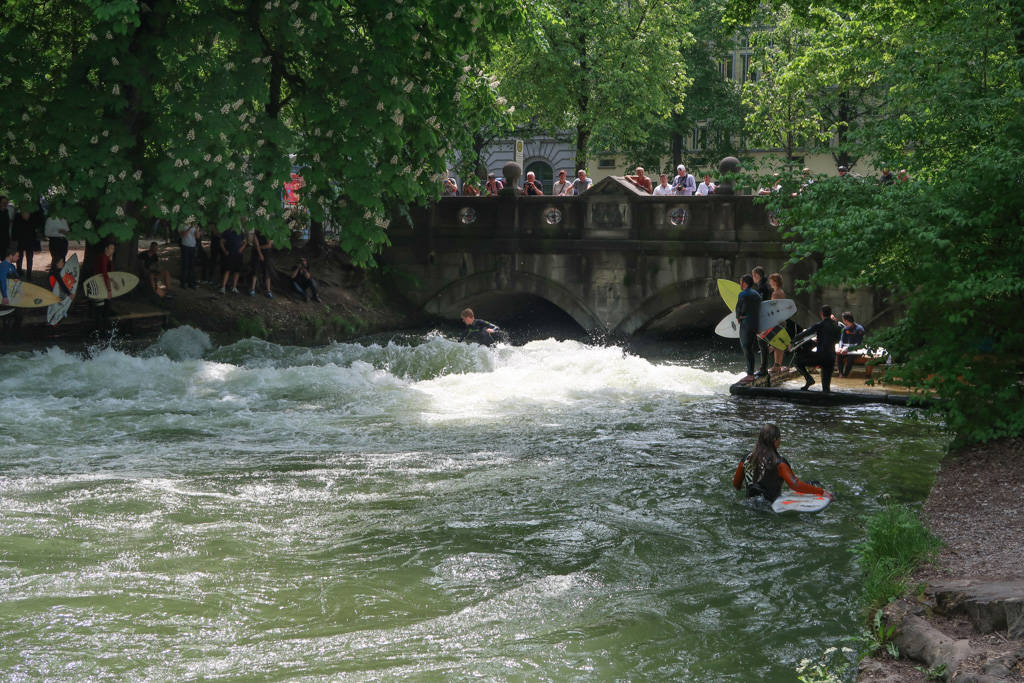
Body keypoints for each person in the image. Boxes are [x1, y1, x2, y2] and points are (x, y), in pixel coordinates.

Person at [732, 424, 833, 503]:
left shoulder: (746, 459)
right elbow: (795, 485)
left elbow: (736, 484)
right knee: (817, 484)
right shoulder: (779, 463)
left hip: (750, 503)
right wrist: (821, 492)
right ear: (775, 440)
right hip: (770, 506)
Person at [791, 304, 843, 392]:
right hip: (831, 357)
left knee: (797, 362)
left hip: (820, 356)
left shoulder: (819, 325)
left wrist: (791, 342)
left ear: (821, 314)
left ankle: (809, 379)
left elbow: (804, 334)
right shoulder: (837, 327)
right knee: (826, 388)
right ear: (831, 313)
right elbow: (838, 340)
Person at [735, 274, 761, 384]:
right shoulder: (757, 295)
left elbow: (739, 308)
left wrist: (738, 316)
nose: (740, 284)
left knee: (746, 348)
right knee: (750, 348)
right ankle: (751, 373)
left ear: (745, 283)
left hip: (746, 323)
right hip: (756, 323)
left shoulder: (743, 294)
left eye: (741, 282)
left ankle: (750, 375)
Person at [752, 266, 772, 376]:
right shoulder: (764, 286)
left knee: (762, 343)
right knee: (763, 344)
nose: (753, 278)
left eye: (754, 275)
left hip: (762, 319)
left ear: (758, 275)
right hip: (765, 318)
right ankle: (764, 367)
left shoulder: (762, 287)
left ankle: (764, 369)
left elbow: (760, 304)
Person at [768, 273, 790, 373]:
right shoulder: (782, 292)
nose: (769, 282)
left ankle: (776, 366)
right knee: (780, 344)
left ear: (775, 282)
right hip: (782, 320)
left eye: (771, 281)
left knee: (776, 343)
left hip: (777, 320)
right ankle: (779, 365)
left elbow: (773, 309)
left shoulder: (775, 294)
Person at [219, 222, 248, 293]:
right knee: (227, 270)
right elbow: (221, 242)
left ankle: (234, 287)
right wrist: (224, 250)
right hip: (229, 254)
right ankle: (223, 287)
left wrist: (241, 249)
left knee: (237, 271)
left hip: (238, 255)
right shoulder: (227, 232)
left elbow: (245, 242)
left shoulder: (240, 232)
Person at [93, 242, 119, 318]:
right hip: (99, 282)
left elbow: (111, 272)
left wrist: (111, 261)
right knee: (101, 305)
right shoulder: (102, 258)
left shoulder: (107, 258)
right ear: (106, 249)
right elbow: (104, 273)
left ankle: (106, 316)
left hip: (104, 282)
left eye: (113, 249)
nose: (113, 250)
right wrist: (109, 289)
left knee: (107, 303)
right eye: (111, 248)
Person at [836, 311, 866, 378]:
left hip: (857, 350)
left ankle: (845, 375)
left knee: (850, 358)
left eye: (843, 320)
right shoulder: (845, 328)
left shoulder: (859, 329)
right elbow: (842, 340)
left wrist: (848, 349)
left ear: (846, 320)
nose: (842, 321)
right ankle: (841, 374)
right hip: (847, 349)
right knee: (839, 356)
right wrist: (840, 347)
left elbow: (859, 344)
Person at [247, 228, 274, 298]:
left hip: (266, 255)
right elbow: (256, 245)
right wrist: (259, 253)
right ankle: (252, 289)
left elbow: (268, 245)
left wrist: (259, 248)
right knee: (255, 271)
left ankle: (268, 290)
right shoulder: (255, 235)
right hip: (257, 256)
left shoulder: (267, 235)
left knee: (267, 273)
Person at [12, 208, 36, 282]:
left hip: (29, 241)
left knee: (29, 258)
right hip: (20, 241)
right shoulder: (17, 217)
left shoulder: (31, 218)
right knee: (19, 257)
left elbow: (33, 230)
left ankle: (29, 274)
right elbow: (14, 229)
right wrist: (15, 240)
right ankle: (19, 271)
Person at [178, 220, 200, 289]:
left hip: (193, 247)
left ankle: (190, 282)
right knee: (185, 265)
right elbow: (184, 235)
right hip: (185, 247)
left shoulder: (195, 226)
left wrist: (196, 229)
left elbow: (198, 236)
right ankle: (182, 282)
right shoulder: (181, 225)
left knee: (191, 265)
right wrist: (190, 227)